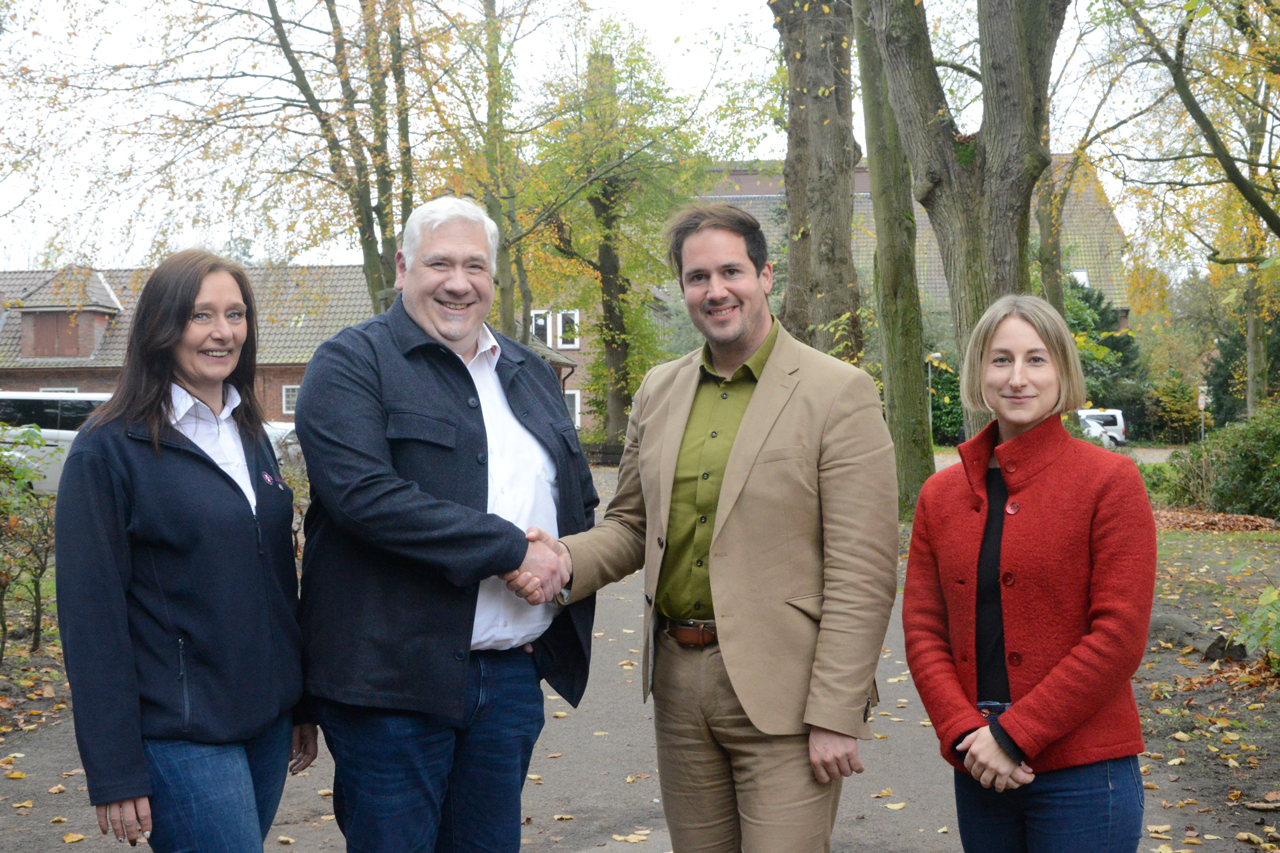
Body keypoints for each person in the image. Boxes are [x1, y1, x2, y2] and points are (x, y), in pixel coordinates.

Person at [512, 203, 899, 852]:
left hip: (788, 692)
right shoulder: (659, 391)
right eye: (697, 277)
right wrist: (562, 561)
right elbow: (633, 524)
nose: (715, 290)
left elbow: (862, 572)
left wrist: (836, 713)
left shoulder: (839, 393)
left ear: (765, 275)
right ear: (684, 290)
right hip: (678, 683)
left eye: (731, 271)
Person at [293, 195, 598, 853]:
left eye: (474, 266)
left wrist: (565, 561)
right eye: (439, 264)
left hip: (509, 680)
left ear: (492, 278)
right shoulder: (351, 364)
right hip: (391, 687)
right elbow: (364, 496)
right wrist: (509, 547)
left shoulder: (528, 373)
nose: (458, 282)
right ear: (403, 268)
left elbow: (576, 501)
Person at [55, 249, 316, 851]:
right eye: (201, 316)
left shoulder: (248, 432)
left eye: (236, 314)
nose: (223, 332)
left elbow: (277, 581)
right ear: (162, 327)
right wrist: (114, 769)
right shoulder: (108, 451)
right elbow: (90, 621)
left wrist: (299, 702)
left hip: (267, 723)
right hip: (183, 736)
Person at [904, 294, 1156, 852]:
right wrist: (966, 733)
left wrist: (1014, 735)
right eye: (1001, 359)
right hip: (980, 764)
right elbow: (924, 629)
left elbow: (1118, 636)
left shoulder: (1109, 482)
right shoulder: (940, 495)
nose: (1018, 377)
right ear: (979, 372)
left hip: (1084, 771)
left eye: (1036, 359)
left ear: (1062, 371)